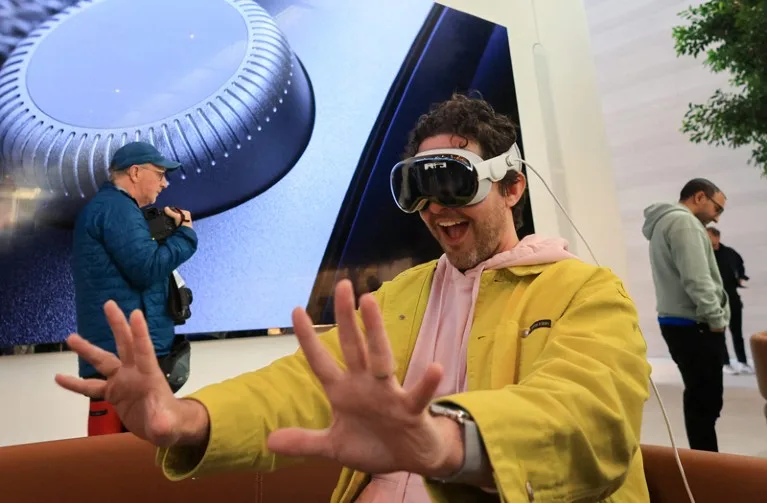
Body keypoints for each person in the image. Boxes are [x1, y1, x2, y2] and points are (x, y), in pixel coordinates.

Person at [58, 95, 651, 502]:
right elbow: (305, 382)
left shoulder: (586, 291)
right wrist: (185, 417)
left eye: (454, 181)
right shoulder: (404, 296)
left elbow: (588, 416)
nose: (437, 206)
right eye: (418, 187)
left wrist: (442, 441)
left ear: (513, 186)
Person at [71, 141, 198, 436]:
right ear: (136, 172)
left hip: (121, 358)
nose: (165, 183)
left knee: (117, 462)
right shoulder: (117, 209)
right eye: (160, 173)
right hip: (129, 361)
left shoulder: (110, 208)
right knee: (132, 462)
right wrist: (186, 235)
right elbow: (146, 268)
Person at [642, 178, 729, 452]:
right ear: (700, 197)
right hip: (696, 325)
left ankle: (705, 464)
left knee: (700, 400)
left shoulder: (665, 223)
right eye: (718, 208)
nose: (718, 216)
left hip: (679, 323)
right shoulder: (684, 223)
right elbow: (697, 279)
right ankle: (707, 470)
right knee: (705, 403)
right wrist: (715, 320)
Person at [707, 227, 753, 375]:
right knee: (720, 332)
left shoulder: (729, 253)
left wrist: (740, 276)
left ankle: (743, 362)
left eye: (709, 236)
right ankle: (725, 363)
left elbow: (740, 266)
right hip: (715, 300)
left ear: (717, 237)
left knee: (737, 332)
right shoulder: (704, 255)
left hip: (732, 298)